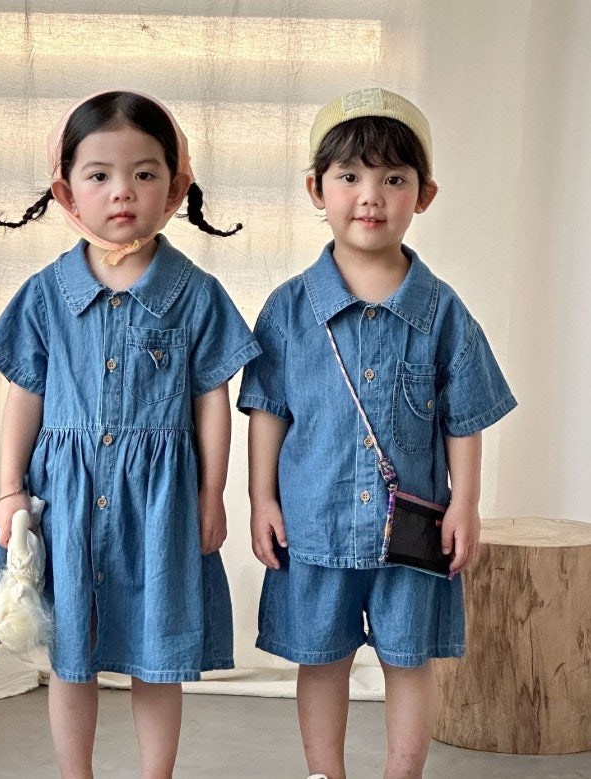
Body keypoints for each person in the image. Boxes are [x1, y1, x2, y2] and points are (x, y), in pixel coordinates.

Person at [0, 90, 260, 779]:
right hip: (66, 504)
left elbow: (212, 400)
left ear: (176, 188)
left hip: (160, 507)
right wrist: (10, 490)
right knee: (69, 659)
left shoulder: (197, 294)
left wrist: (212, 494)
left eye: (144, 173)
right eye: (99, 174)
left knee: (156, 660)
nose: (122, 191)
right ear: (66, 190)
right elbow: (25, 394)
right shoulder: (46, 293)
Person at [237, 87, 516, 779]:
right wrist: (261, 499)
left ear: (424, 195)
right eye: (350, 176)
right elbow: (268, 409)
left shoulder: (444, 312)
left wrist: (466, 503)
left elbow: (464, 417)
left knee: (409, 658)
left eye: (394, 178)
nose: (370, 196)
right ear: (316, 188)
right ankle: (323, 773)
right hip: (314, 524)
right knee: (321, 658)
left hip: (414, 534)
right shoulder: (288, 309)